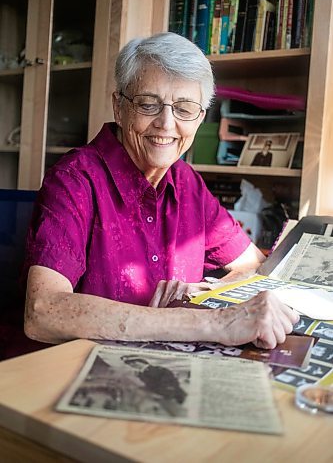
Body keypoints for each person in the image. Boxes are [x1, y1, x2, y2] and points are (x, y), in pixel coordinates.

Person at [24, 32, 299, 349]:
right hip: (72, 372)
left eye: (184, 108)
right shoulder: (74, 180)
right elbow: (43, 312)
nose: (166, 124)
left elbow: (253, 264)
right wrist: (213, 321)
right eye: (148, 104)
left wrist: (204, 292)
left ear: (200, 118)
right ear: (119, 107)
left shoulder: (187, 182)